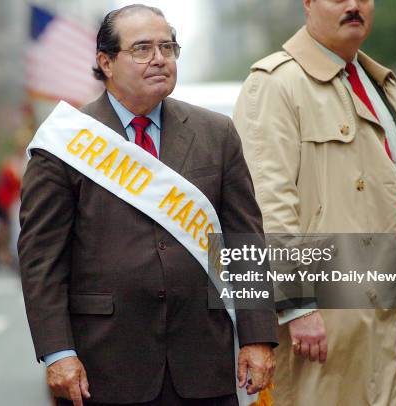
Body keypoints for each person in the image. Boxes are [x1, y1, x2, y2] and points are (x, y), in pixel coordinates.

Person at [19, 4, 277, 405]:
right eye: (142, 49)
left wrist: (259, 337)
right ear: (105, 62)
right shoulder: (64, 144)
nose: (159, 59)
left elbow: (246, 243)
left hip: (205, 362)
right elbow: (42, 260)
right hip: (106, 365)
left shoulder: (216, 133)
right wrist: (58, 353)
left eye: (167, 47)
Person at [233, 1, 396, 405]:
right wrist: (296, 306)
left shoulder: (378, 80)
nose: (354, 6)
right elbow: (268, 204)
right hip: (336, 316)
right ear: (307, 4)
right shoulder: (274, 83)